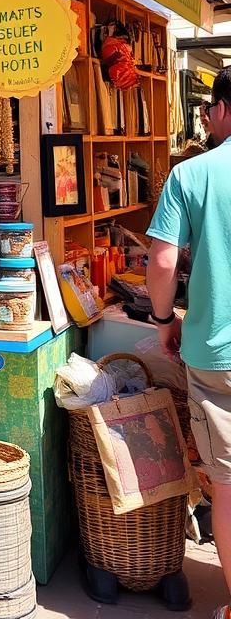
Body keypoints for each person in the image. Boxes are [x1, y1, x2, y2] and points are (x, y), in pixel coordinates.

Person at [147, 66, 231, 619]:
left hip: (217, 353)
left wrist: (163, 320)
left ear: (223, 107)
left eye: (208, 107)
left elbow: (161, 260)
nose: (205, 117)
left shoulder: (193, 174)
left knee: (227, 483)